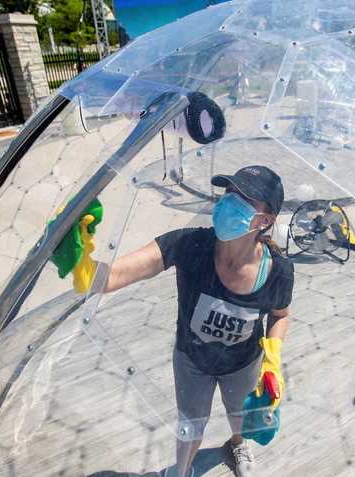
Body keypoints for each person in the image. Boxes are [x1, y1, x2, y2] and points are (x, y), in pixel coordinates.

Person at [100, 165, 294, 477]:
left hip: (243, 363)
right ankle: (182, 471)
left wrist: (272, 358)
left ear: (266, 220)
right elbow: (112, 277)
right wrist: (82, 266)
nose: (230, 202)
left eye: (245, 199)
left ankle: (237, 444)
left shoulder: (279, 270)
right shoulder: (190, 244)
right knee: (190, 424)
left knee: (238, 415)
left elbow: (280, 315)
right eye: (229, 192)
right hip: (192, 361)